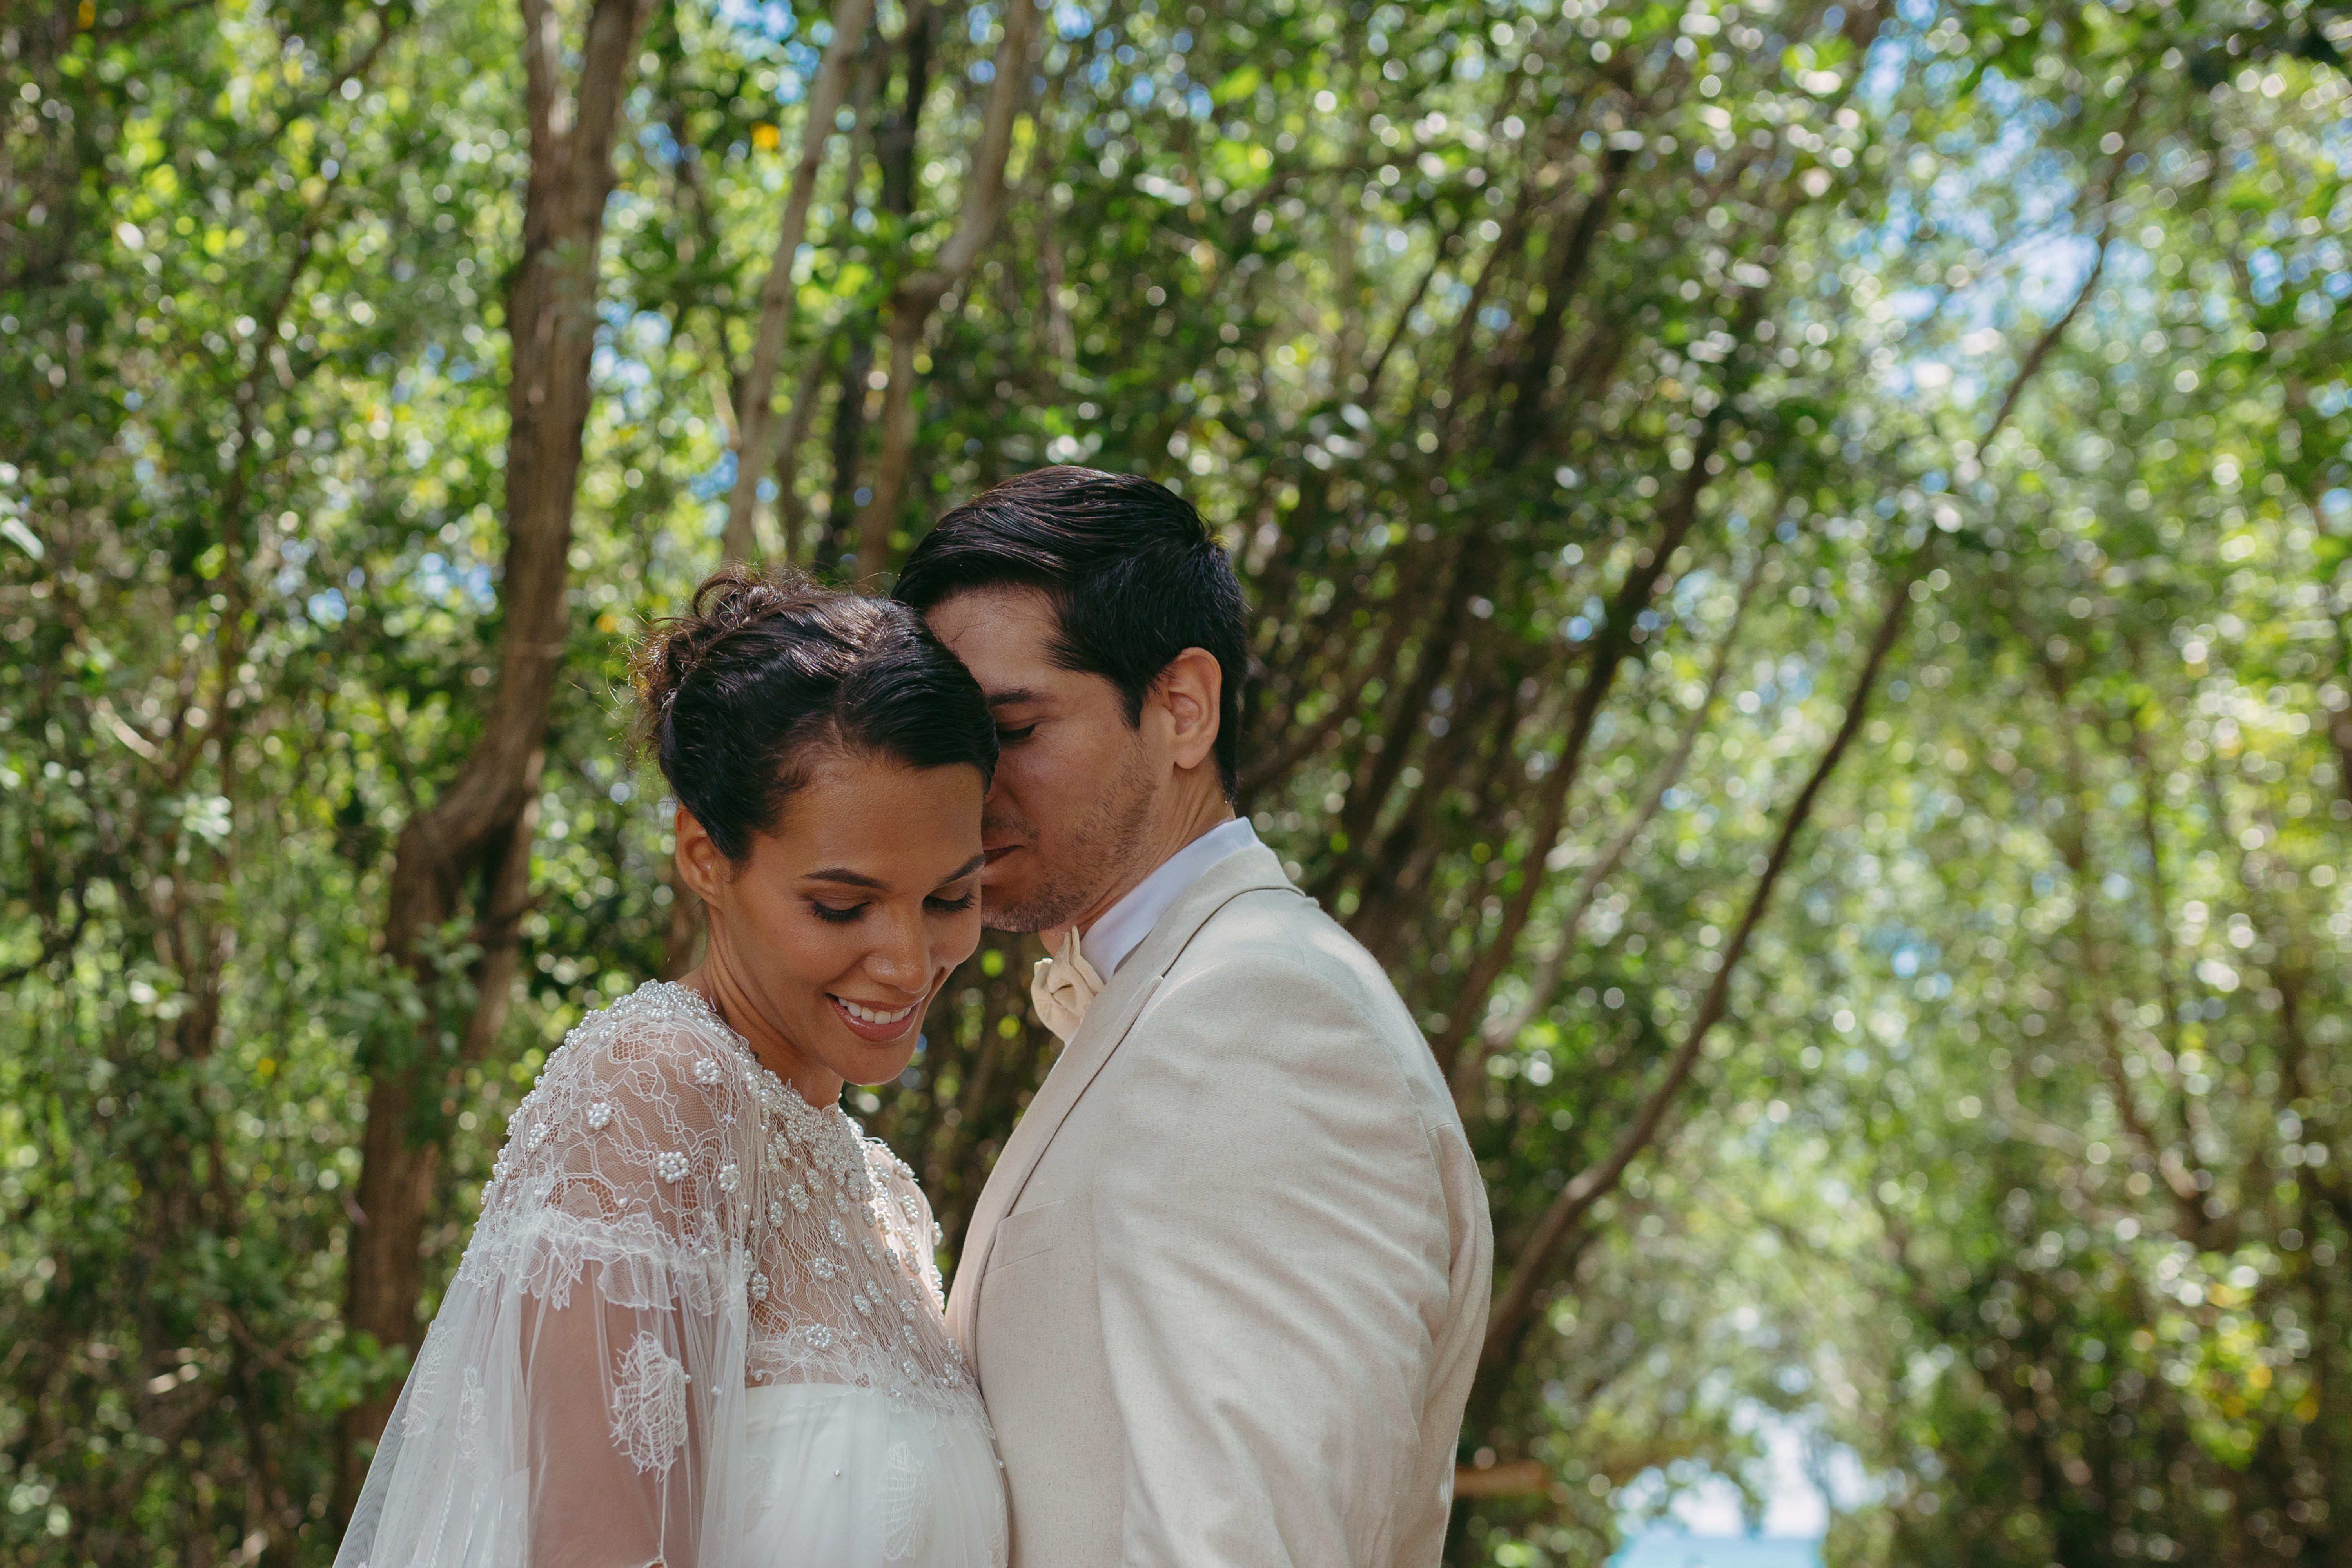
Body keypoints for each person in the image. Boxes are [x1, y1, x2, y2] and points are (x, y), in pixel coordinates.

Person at [335, 569, 1009, 1568]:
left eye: (950, 899)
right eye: (841, 907)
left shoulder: (887, 1204)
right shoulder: (657, 1089)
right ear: (703, 855)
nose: (909, 964)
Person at [895, 467, 1492, 1567]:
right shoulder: (1185, 996)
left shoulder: (1269, 1022)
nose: (965, 786)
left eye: (1012, 728)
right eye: (946, 741)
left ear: (1182, 709)